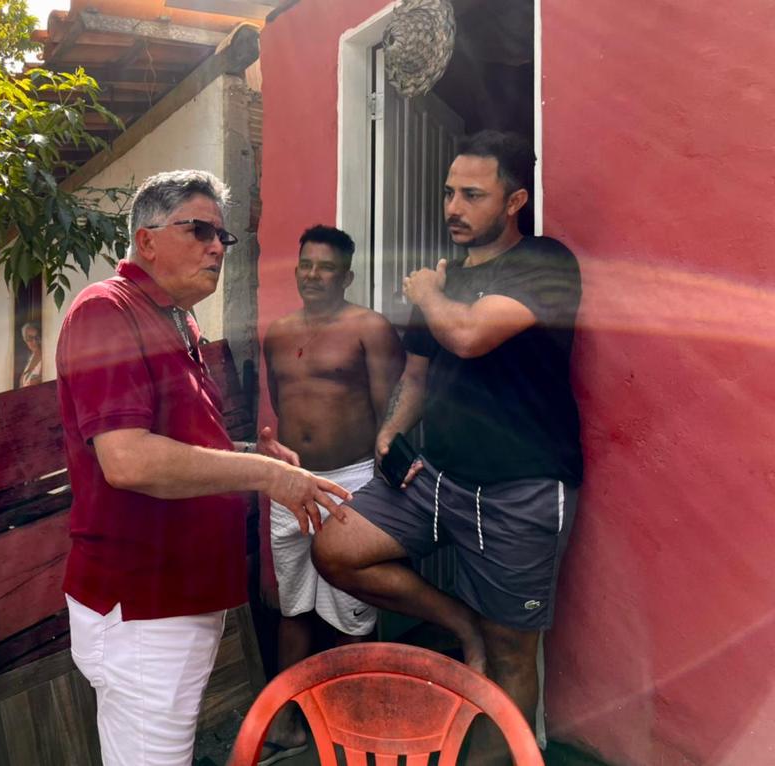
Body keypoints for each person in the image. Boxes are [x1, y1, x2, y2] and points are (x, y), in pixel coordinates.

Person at [55, 170, 352, 766]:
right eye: (199, 231)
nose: (217, 246)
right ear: (146, 240)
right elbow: (128, 459)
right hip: (143, 601)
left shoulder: (178, 319)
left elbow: (179, 443)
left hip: (182, 594)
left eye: (223, 236)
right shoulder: (107, 310)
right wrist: (268, 477)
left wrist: (250, 456)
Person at [312, 131, 583, 761]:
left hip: (521, 488)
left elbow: (467, 336)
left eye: (472, 195)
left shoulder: (544, 262)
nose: (453, 208)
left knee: (512, 654)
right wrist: (389, 432)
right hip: (438, 478)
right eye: (448, 192)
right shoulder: (446, 278)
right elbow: (417, 375)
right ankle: (462, 625)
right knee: (337, 549)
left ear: (514, 201)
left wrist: (427, 293)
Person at [260, 225, 404, 762]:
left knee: (352, 609)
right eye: (306, 265)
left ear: (346, 276)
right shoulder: (278, 332)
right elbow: (281, 402)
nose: (313, 275)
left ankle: (354, 725)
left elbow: (390, 413)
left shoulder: (369, 327)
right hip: (289, 484)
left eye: (326, 268)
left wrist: (384, 487)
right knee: (293, 605)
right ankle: (288, 723)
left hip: (353, 481)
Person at [18, 321, 42, 387]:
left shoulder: (45, 356)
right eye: (30, 338)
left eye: (36, 337)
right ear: (25, 339)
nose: (34, 341)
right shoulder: (30, 358)